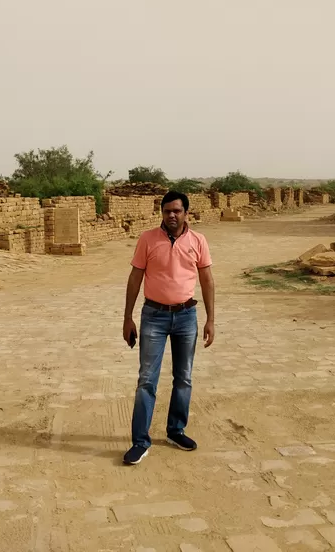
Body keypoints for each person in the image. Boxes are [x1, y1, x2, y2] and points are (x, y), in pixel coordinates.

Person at [121, 190, 215, 466]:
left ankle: (176, 430)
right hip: (154, 316)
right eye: (166, 211)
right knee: (146, 380)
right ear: (161, 213)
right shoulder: (147, 239)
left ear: (186, 213)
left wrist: (211, 319)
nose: (171, 216)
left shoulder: (198, 241)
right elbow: (135, 277)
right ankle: (140, 441)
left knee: (183, 377)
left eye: (176, 211)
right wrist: (127, 317)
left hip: (187, 316)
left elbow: (207, 280)